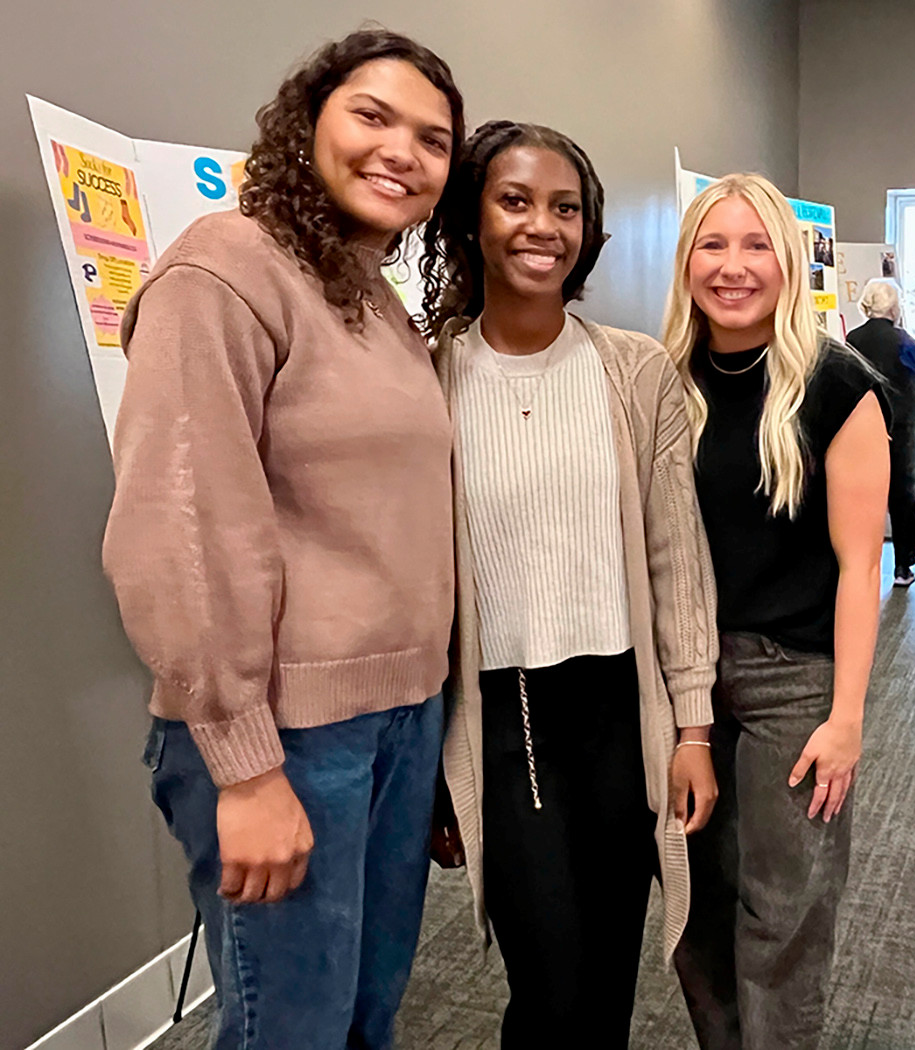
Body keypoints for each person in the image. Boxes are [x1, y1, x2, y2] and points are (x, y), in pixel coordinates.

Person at [103, 31, 464, 1049]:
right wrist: (246, 769)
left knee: (362, 1021)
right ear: (306, 123)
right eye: (373, 116)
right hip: (287, 735)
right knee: (290, 1030)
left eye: (434, 140)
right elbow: (185, 529)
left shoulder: (373, 301)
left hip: (396, 719)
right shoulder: (224, 271)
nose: (404, 151)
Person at [420, 121, 720, 1047]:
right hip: (504, 711)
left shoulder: (636, 372)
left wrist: (694, 725)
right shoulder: (424, 373)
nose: (542, 225)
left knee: (607, 980)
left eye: (565, 207)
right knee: (549, 982)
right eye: (515, 201)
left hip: (621, 707)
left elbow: (677, 558)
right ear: (472, 217)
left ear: (589, 230)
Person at [661, 173, 890, 1050]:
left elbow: (860, 565)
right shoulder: (662, 380)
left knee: (783, 918)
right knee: (696, 909)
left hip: (794, 682)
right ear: (687, 263)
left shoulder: (836, 385)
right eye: (713, 245)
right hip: (680, 678)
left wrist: (848, 718)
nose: (734, 266)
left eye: (756, 245)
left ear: (789, 263)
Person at [847, 278, 915, 587]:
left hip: (864, 426)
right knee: (903, 496)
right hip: (901, 426)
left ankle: (863, 565)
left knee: (863, 496)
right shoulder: (900, 339)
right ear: (894, 307)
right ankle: (903, 567)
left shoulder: (852, 338)